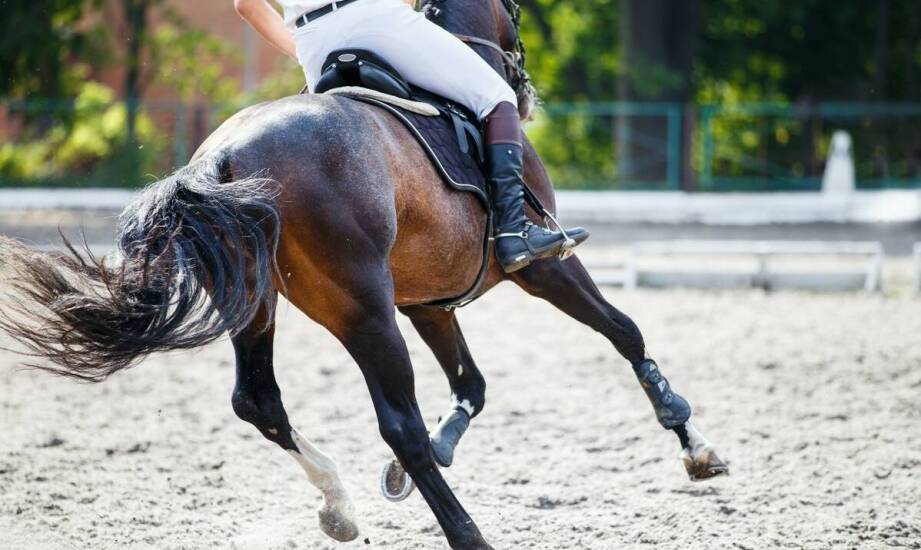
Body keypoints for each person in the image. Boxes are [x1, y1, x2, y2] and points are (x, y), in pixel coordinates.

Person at [233, 0, 587, 272]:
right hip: (375, 18)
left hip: (312, 42)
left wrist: (303, 49)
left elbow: (245, 5)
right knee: (497, 97)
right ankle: (514, 232)